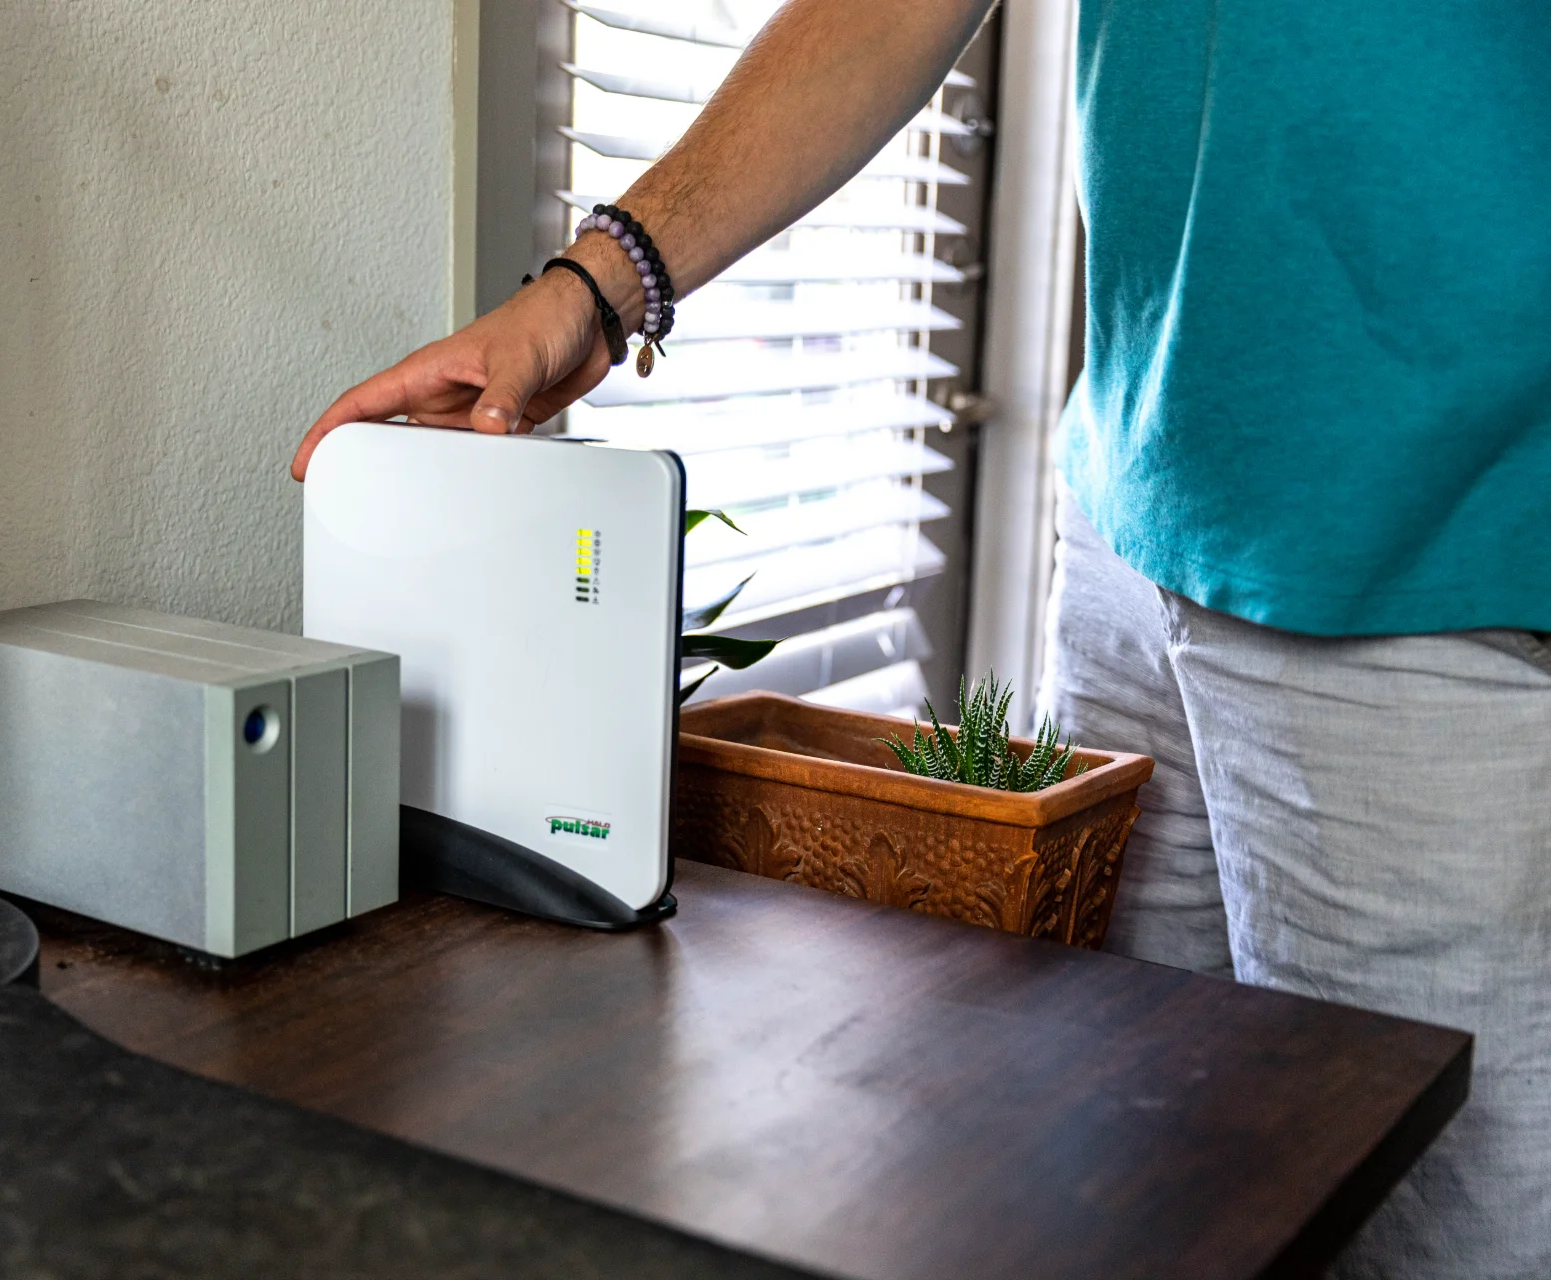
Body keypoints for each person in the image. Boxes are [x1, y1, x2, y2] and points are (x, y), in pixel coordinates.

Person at [295, 2, 1551, 1274]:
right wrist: (595, 291)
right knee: (1142, 1188)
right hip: (1139, 502)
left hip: (1439, 546)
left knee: (1444, 1229)